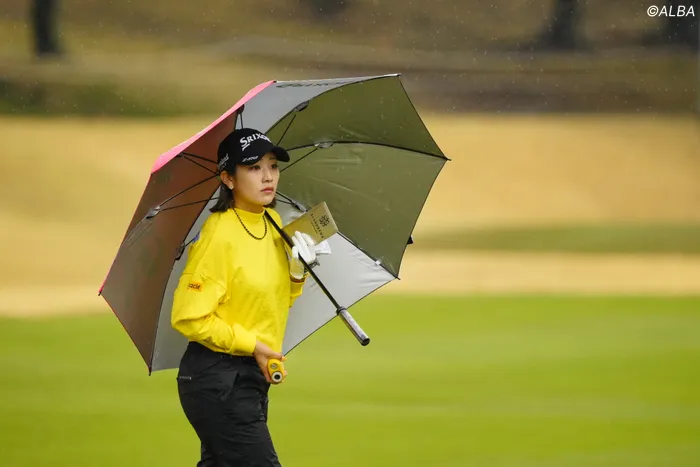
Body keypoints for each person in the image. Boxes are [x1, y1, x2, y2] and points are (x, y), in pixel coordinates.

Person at [170, 127, 329, 466]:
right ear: (228, 178)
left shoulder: (272, 221)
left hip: (251, 378)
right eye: (254, 168)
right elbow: (188, 316)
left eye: (273, 166)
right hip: (216, 378)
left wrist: (297, 272)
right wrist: (253, 346)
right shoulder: (218, 235)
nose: (268, 176)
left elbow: (275, 301)